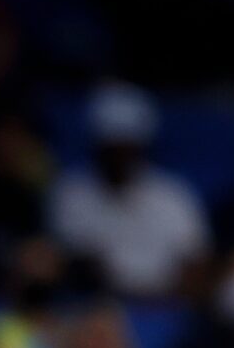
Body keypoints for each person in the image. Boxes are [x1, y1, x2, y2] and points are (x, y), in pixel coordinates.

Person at [46, 84, 208, 303]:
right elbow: (81, 268)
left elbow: (196, 264)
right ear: (97, 146)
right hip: (97, 307)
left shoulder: (173, 194)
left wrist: (160, 300)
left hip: (167, 307)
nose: (120, 158)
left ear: (142, 146)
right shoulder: (70, 193)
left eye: (127, 147)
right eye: (112, 148)